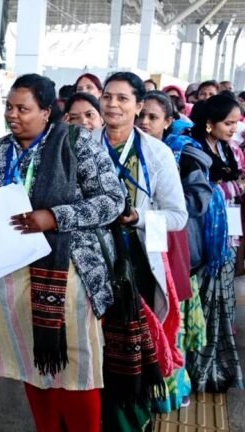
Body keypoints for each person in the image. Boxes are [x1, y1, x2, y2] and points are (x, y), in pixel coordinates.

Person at [0, 73, 125, 432]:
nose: (12, 115)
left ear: (47, 112)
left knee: (76, 370)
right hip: (11, 275)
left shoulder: (77, 145)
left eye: (23, 109)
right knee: (30, 364)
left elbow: (113, 201)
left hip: (69, 275)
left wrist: (55, 217)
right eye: (9, 107)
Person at [98, 72, 188, 430]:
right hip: (92, 261)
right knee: (97, 347)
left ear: (138, 106)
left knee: (132, 350)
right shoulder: (83, 145)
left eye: (123, 98)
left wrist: (138, 217)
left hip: (136, 263)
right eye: (108, 96)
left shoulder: (157, 153)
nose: (113, 104)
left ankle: (132, 420)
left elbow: (178, 216)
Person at [136, 90, 213, 412]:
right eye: (141, 115)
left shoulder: (183, 155)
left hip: (173, 248)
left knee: (168, 319)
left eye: (152, 117)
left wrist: (164, 201)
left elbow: (197, 201)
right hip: (141, 246)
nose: (144, 122)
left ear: (168, 121)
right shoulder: (128, 151)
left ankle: (170, 391)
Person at [185, 95, 245, 392]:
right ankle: (197, 369)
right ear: (209, 123)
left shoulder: (227, 149)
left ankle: (217, 367)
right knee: (203, 305)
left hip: (227, 238)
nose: (234, 128)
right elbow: (194, 198)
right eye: (228, 123)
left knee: (223, 304)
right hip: (202, 240)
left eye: (236, 122)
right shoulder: (191, 152)